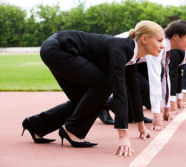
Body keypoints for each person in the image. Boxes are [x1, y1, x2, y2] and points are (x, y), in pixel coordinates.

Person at [21, 20, 165, 157]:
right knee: (104, 85)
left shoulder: (132, 56)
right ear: (145, 39)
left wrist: (140, 125)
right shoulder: (121, 50)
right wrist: (123, 136)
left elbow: (134, 90)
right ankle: (72, 130)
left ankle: (36, 126)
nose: (163, 45)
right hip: (60, 48)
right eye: (159, 40)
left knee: (86, 101)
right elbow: (119, 92)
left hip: (58, 48)